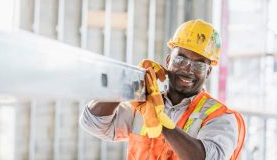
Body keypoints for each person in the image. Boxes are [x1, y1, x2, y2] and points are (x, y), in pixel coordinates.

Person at [80, 19, 245, 160]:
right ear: (168, 61)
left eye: (199, 65)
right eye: (181, 59)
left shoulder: (220, 117)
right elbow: (92, 122)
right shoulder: (142, 104)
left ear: (208, 72)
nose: (188, 70)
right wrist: (128, 83)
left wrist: (159, 119)